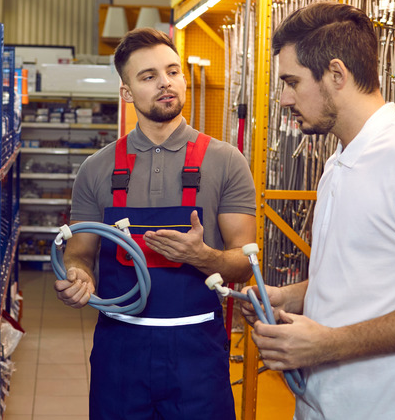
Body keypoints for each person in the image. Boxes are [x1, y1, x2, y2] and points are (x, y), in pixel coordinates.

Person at [241, 1, 395, 419]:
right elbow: (364, 275)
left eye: (292, 82)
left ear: (336, 74)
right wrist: (290, 296)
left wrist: (329, 344)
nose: (284, 99)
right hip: (328, 403)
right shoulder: (338, 162)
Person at [53, 27, 256, 419]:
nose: (166, 82)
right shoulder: (96, 169)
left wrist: (202, 256)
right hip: (120, 350)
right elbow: (79, 254)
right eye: (148, 76)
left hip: (197, 352)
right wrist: (77, 277)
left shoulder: (226, 161)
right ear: (126, 92)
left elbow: (245, 263)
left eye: (173, 71)